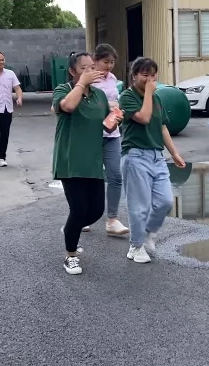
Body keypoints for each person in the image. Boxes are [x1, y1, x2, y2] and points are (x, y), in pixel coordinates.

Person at [52, 52, 122, 274]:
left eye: (92, 67)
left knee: (96, 211)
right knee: (79, 209)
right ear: (72, 71)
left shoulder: (99, 95)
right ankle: (71, 255)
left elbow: (106, 126)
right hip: (70, 161)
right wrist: (81, 84)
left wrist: (115, 119)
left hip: (93, 161)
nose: (91, 71)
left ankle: (70, 230)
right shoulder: (63, 90)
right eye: (84, 68)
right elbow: (68, 106)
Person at [119, 57, 185, 264]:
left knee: (165, 201)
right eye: (145, 75)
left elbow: (162, 126)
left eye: (153, 75)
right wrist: (148, 92)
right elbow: (144, 117)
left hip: (157, 156)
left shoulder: (156, 98)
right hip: (135, 155)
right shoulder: (127, 96)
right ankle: (135, 246)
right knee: (139, 207)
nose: (149, 79)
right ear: (134, 76)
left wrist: (174, 153)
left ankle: (148, 232)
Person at [89, 43, 130, 237]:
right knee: (89, 178)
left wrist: (118, 109)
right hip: (92, 135)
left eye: (112, 62)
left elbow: (116, 100)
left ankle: (112, 220)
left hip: (112, 135)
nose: (109, 66)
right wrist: (106, 105)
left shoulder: (113, 78)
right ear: (95, 61)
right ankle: (82, 217)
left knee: (115, 176)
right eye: (106, 62)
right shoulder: (88, 80)